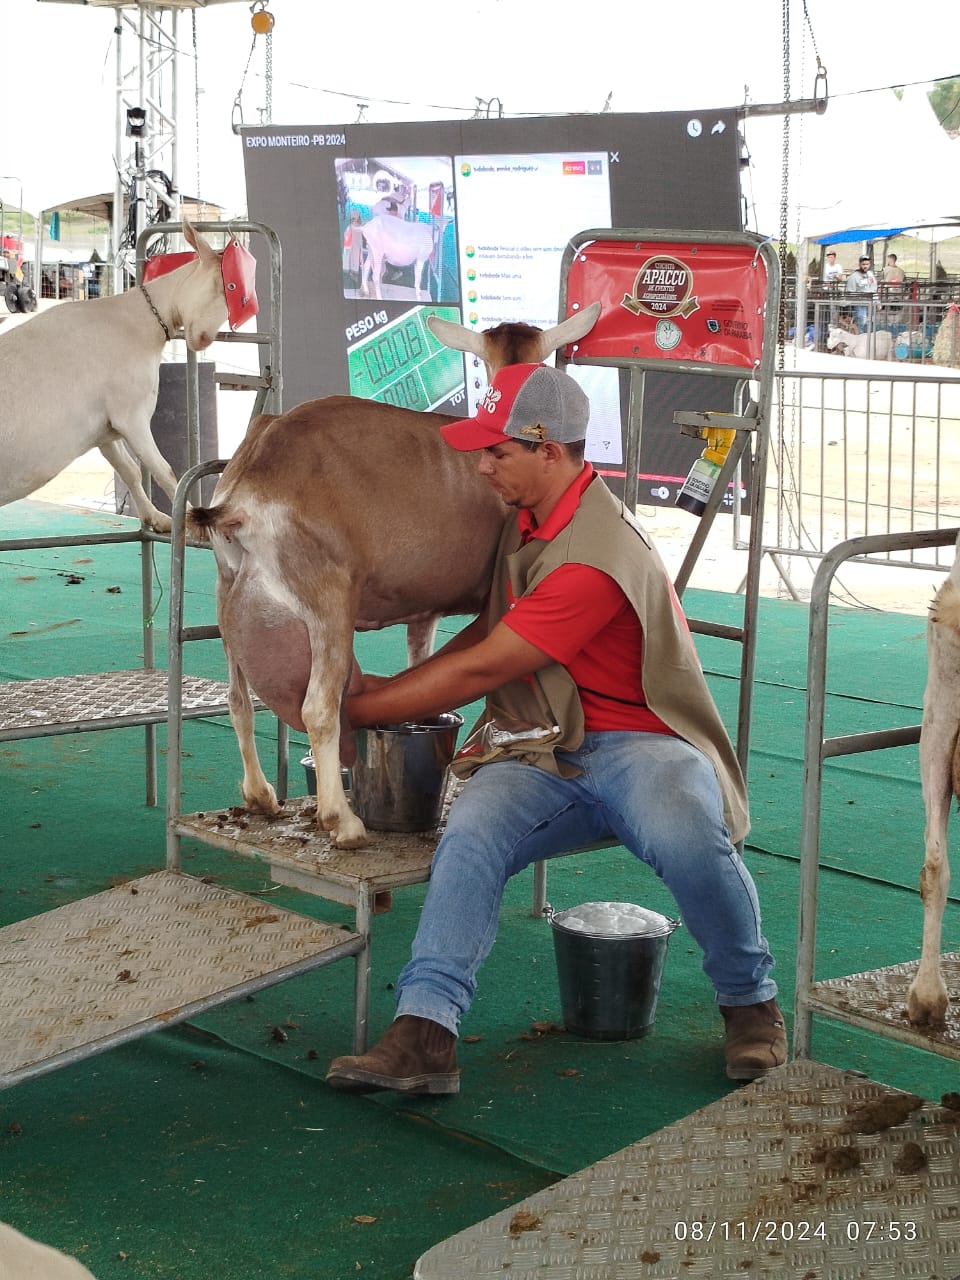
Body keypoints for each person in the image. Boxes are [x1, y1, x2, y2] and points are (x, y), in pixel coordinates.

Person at [326, 362, 786, 1097]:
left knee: (683, 827)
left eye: (497, 452)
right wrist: (389, 692)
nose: (481, 467)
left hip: (643, 742)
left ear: (550, 450)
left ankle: (750, 1002)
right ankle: (426, 1030)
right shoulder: (529, 521)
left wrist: (355, 708)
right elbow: (491, 627)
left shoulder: (593, 558)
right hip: (540, 742)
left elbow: (490, 664)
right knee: (472, 832)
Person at [845, 255, 877, 333]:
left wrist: (877, 301)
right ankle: (860, 337)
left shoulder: (870, 275)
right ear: (860, 264)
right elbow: (850, 291)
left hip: (870, 302)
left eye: (867, 264)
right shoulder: (854, 276)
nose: (865, 266)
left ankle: (868, 339)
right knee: (861, 321)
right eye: (863, 264)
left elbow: (874, 288)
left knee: (870, 321)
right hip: (860, 303)